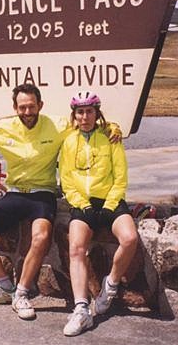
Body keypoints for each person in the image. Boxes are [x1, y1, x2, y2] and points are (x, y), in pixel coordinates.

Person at [0, 84, 120, 321]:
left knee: (41, 237)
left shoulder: (56, 125)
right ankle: (5, 287)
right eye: (22, 107)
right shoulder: (5, 127)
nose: (27, 111)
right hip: (15, 193)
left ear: (40, 106)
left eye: (31, 106)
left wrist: (113, 127)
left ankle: (22, 293)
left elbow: (87, 121)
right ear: (15, 108)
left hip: (42, 194)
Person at [58, 91, 138, 336]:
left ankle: (110, 284)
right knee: (76, 248)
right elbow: (67, 179)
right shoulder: (69, 141)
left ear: (97, 113)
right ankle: (81, 309)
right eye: (80, 112)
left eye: (89, 111)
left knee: (130, 238)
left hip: (110, 202)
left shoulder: (111, 137)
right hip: (83, 204)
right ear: (74, 115)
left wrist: (109, 205)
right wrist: (82, 204)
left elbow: (121, 176)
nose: (85, 117)